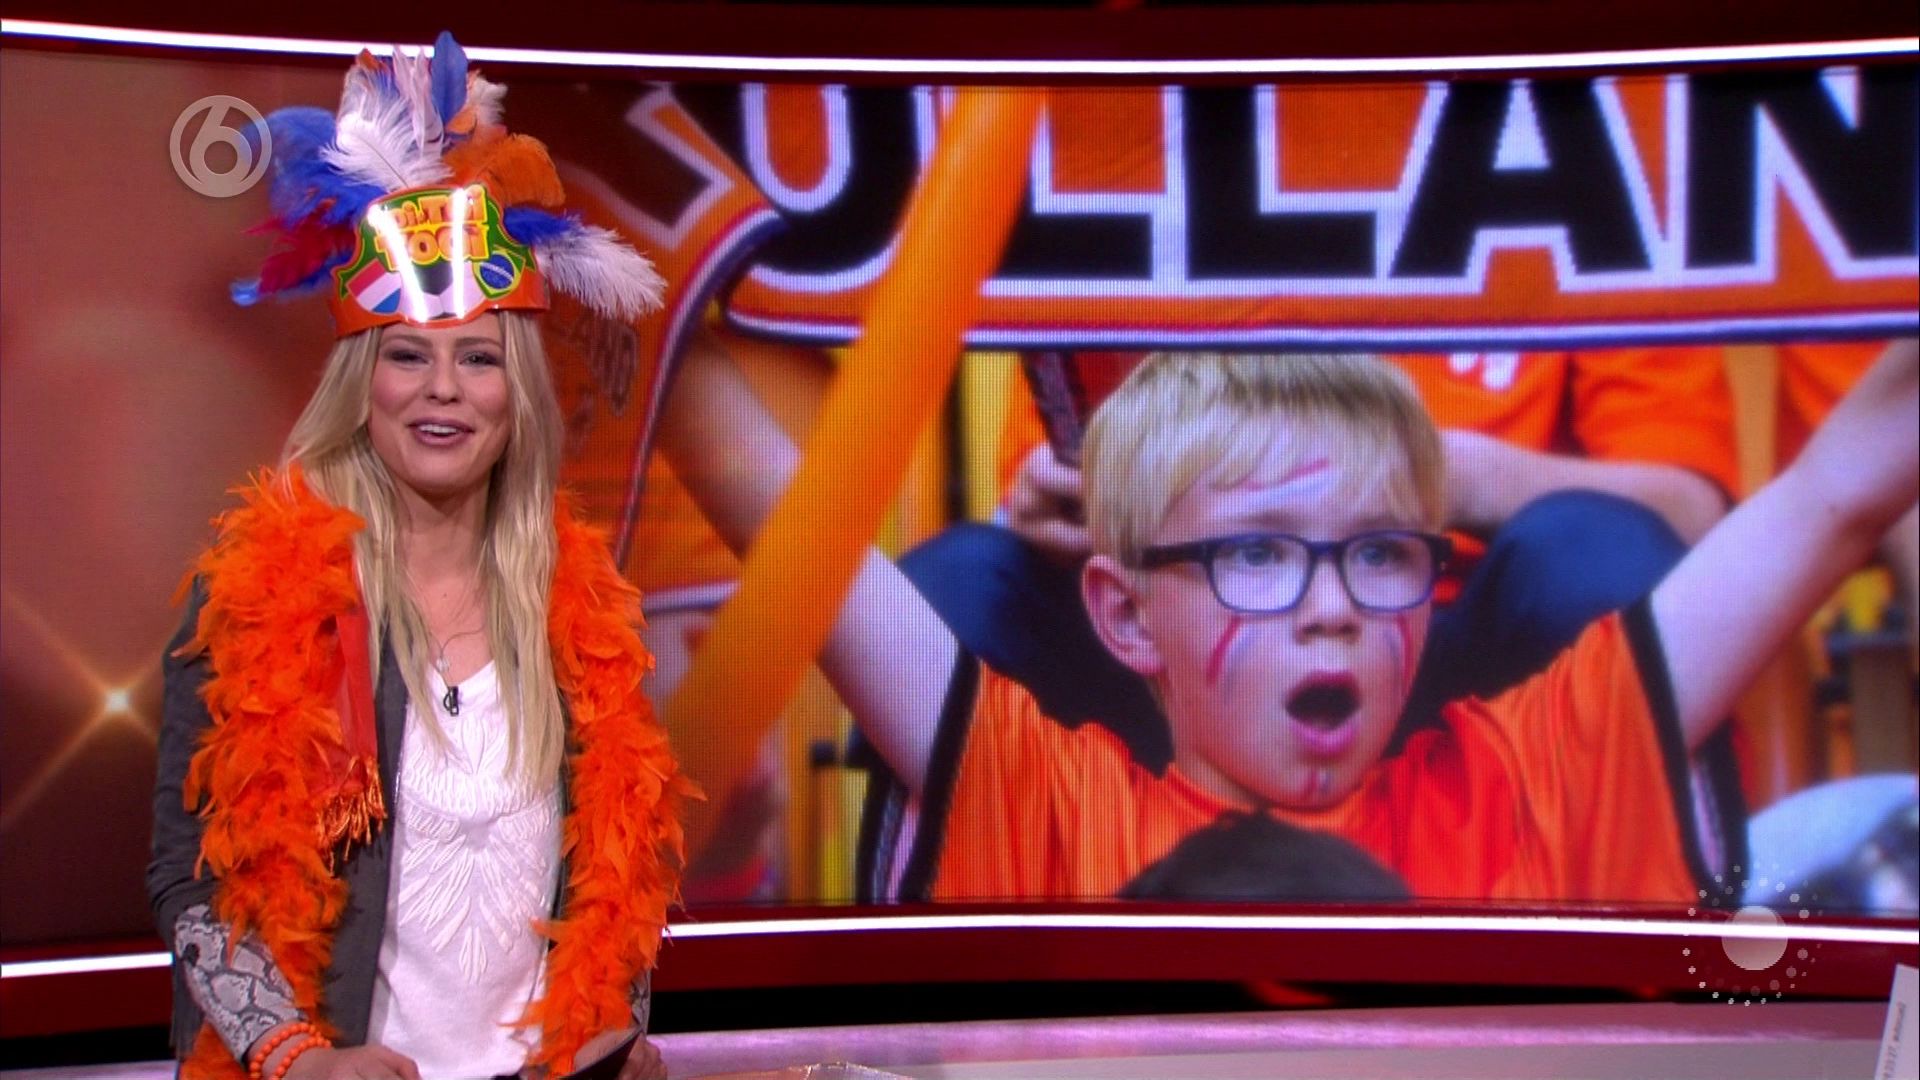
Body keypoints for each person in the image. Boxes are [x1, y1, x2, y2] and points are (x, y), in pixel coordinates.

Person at [660, 337, 1915, 904]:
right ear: (1124, 614)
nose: (1332, 609)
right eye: (1258, 555)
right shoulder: (1038, 801)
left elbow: (1839, 492)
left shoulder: (1540, 776)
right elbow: (775, 504)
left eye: (1379, 554)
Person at [148, 36, 687, 1080]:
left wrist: (615, 1030)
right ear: (364, 384)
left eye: (477, 358)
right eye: (408, 355)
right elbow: (192, 880)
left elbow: (618, 862)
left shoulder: (576, 606)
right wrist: (299, 1060)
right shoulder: (256, 593)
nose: (444, 389)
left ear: (515, 393)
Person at [908, 349, 1740, 771]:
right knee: (952, 592)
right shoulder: (1129, 142)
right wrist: (1052, 504)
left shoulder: (1582, 116)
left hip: (1458, 667)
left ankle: (1640, 981)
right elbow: (1040, 502)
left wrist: (1428, 476)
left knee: (1598, 552)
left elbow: (1690, 517)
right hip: (1178, 657)